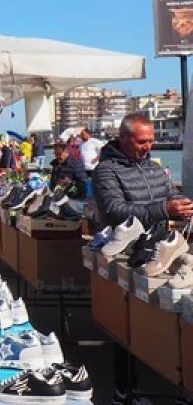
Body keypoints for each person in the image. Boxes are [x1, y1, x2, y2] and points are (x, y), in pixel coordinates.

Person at [93, 113, 193, 403]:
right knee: (125, 327)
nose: (148, 146)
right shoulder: (105, 171)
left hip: (159, 245)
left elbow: (169, 194)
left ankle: (178, 381)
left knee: (162, 322)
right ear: (124, 138)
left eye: (151, 140)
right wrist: (164, 209)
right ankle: (124, 390)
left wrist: (182, 205)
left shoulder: (154, 168)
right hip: (127, 251)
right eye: (142, 141)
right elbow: (114, 211)